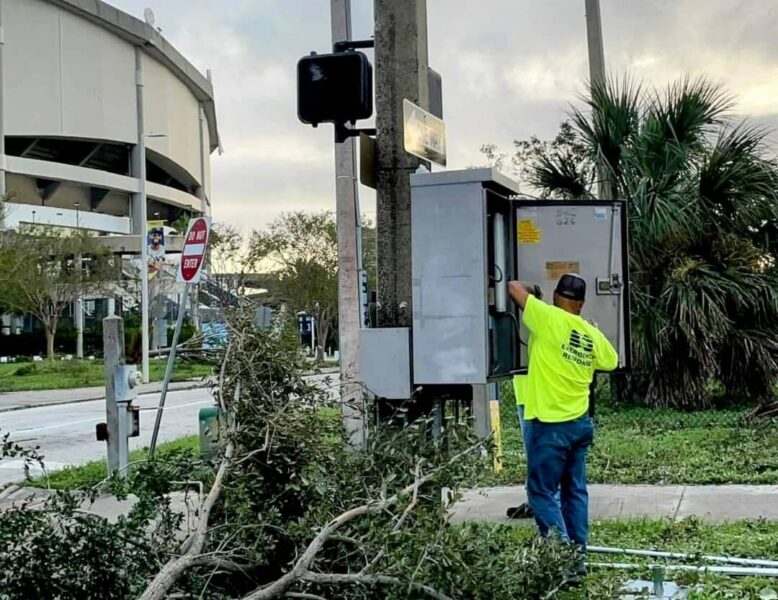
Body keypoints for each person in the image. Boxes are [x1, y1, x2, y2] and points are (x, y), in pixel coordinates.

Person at [507, 274, 618, 552]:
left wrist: (535, 291)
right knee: (574, 491)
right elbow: (612, 361)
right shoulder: (591, 334)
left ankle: (561, 555)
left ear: (556, 298)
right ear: (581, 303)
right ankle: (576, 556)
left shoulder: (547, 318)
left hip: (549, 425)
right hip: (579, 425)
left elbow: (513, 288)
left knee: (541, 492)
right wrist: (590, 328)